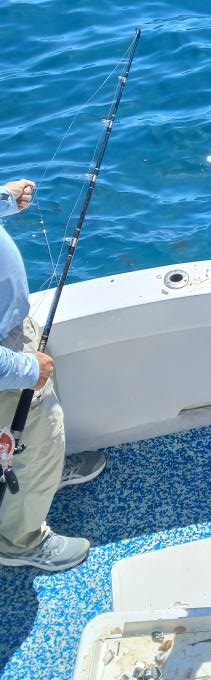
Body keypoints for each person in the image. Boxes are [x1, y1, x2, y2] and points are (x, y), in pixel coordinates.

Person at [0, 178, 106, 571]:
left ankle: (44, 474)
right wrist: (26, 368)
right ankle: (17, 540)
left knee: (36, 433)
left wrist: (4, 200)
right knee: (35, 434)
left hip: (11, 330)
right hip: (8, 363)